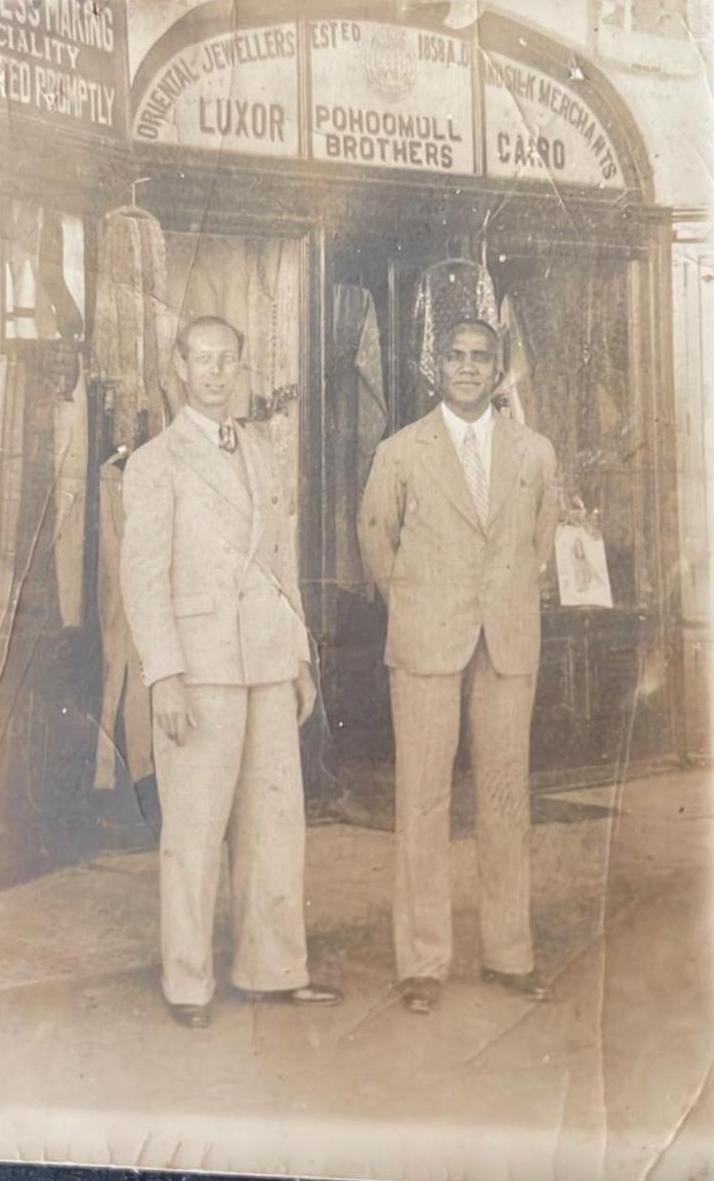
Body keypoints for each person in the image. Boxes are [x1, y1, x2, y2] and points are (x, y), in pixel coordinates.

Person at [120, 314, 341, 1028]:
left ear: (240, 368)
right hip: (201, 668)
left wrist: (300, 654)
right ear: (180, 368)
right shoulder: (156, 461)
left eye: (226, 361)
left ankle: (272, 969)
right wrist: (165, 676)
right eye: (202, 360)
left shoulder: (263, 450)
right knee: (193, 830)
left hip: (268, 662)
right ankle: (187, 982)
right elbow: (142, 581)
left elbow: (281, 562)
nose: (215, 373)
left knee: (275, 825)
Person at [358, 319, 559, 1014]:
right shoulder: (399, 451)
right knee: (422, 799)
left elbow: (538, 542)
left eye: (480, 358)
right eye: (455, 357)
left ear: (497, 369)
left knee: (506, 799)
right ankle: (422, 962)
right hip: (425, 641)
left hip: (505, 641)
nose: (467, 367)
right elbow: (374, 538)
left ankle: (509, 955)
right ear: (434, 366)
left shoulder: (533, 452)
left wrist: (496, 599)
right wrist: (416, 601)